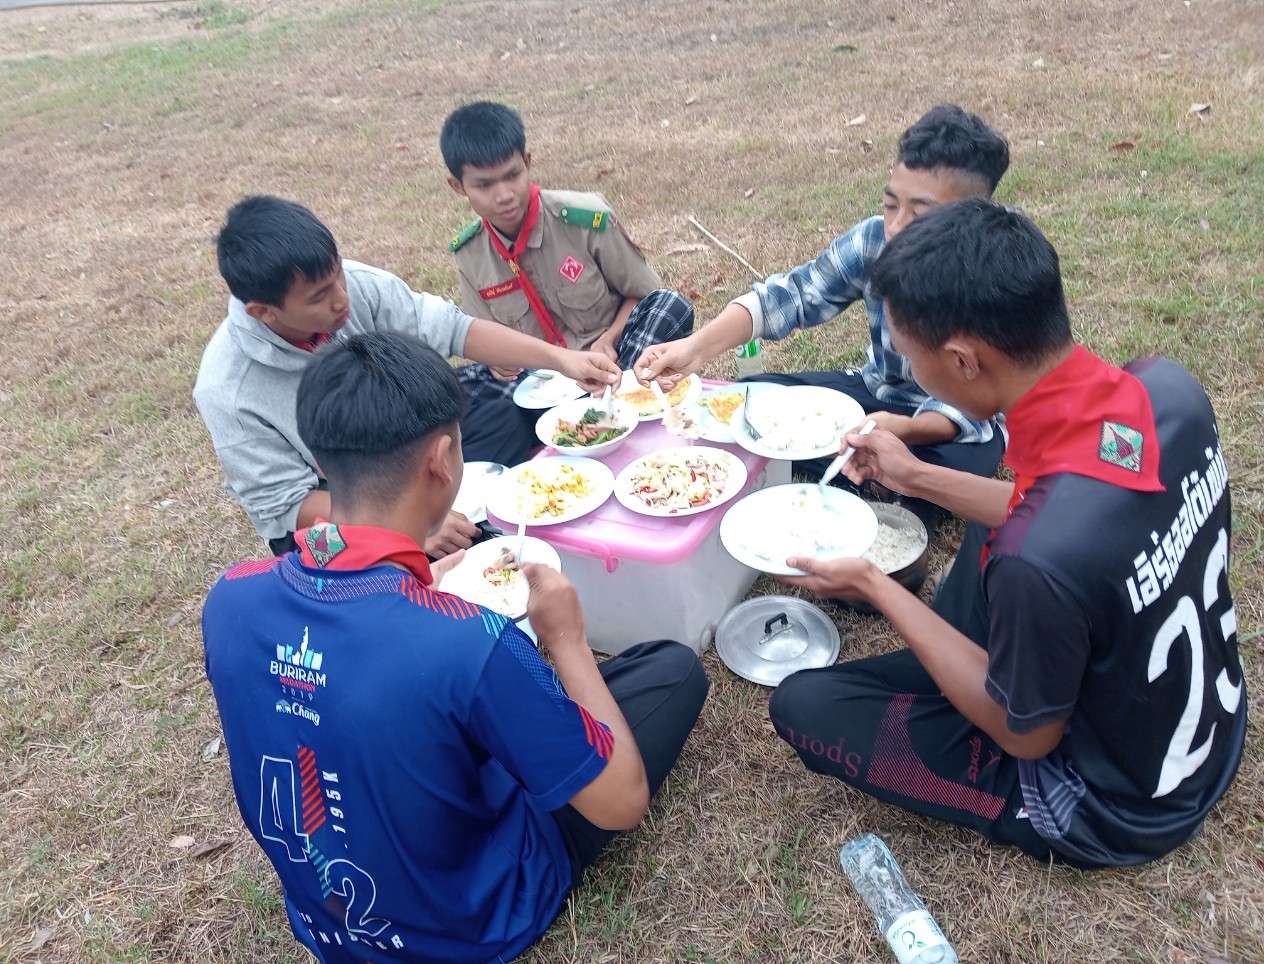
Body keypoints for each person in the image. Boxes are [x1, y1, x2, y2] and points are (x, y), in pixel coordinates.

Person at [768, 198, 1246, 868]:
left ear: (964, 360)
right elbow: (1062, 508)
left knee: (805, 705)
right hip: (1194, 723)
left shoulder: (1036, 556)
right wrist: (915, 476)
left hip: (1114, 803)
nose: (912, 372)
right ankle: (964, 665)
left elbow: (1029, 739)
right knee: (995, 542)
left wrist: (875, 584)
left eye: (912, 357)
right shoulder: (1167, 391)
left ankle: (973, 693)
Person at [202, 331, 708, 963]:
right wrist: (567, 640)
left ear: (323, 463)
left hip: (328, 919)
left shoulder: (230, 597)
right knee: (671, 672)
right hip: (472, 923)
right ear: (442, 459)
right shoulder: (470, 640)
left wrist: (407, 589)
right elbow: (621, 804)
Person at [635, 105, 1011, 532]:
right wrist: (695, 348)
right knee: (750, 401)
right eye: (890, 205)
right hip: (877, 392)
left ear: (973, 215)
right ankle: (868, 473)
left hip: (953, 422)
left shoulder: (995, 273)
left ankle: (890, 484)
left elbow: (974, 406)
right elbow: (793, 295)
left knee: (957, 465)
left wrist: (905, 430)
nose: (895, 227)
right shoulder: (874, 240)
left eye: (919, 215)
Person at [194, 195, 619, 557]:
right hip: (332, 504)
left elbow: (454, 330)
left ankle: (460, 519)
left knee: (500, 417)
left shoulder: (357, 285)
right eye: (319, 296)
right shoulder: (229, 389)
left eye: (338, 273)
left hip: (399, 454)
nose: (342, 299)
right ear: (263, 312)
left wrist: (562, 360)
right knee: (332, 559)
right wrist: (406, 526)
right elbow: (286, 505)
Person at [441, 100, 695, 390]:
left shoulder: (585, 219)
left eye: (512, 175)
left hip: (614, 357)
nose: (504, 195)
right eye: (484, 185)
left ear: (527, 162)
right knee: (453, 386)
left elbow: (644, 295)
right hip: (537, 382)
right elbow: (482, 337)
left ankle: (616, 389)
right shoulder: (470, 253)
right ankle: (618, 397)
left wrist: (610, 337)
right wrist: (495, 361)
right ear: (458, 186)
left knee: (669, 307)